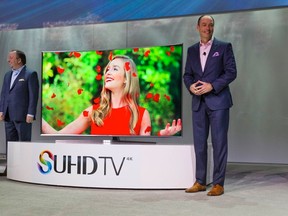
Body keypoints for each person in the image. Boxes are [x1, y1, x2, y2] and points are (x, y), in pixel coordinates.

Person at [42, 55, 181, 136]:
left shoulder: (142, 114)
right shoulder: (93, 111)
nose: (108, 72)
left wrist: (162, 136)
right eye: (107, 69)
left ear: (127, 78)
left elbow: (144, 153)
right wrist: (34, 114)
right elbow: (58, 136)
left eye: (115, 69)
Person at [183, 15, 237, 196]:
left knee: (219, 142)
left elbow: (231, 72)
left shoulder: (224, 47)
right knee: (200, 144)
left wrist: (212, 86)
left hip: (219, 102)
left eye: (211, 25)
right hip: (198, 103)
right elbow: (187, 75)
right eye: (204, 25)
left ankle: (218, 184)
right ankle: (200, 181)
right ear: (197, 27)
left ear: (213, 28)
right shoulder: (191, 51)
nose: (207, 28)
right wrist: (190, 86)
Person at [0, 49, 39, 176]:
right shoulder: (7, 75)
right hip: (8, 115)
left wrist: (31, 113)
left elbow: (34, 96)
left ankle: (24, 169)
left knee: (23, 143)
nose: (8, 60)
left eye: (11, 58)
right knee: (10, 144)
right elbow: (4, 95)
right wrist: (1, 110)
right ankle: (11, 168)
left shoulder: (30, 74)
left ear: (19, 60)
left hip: (23, 116)